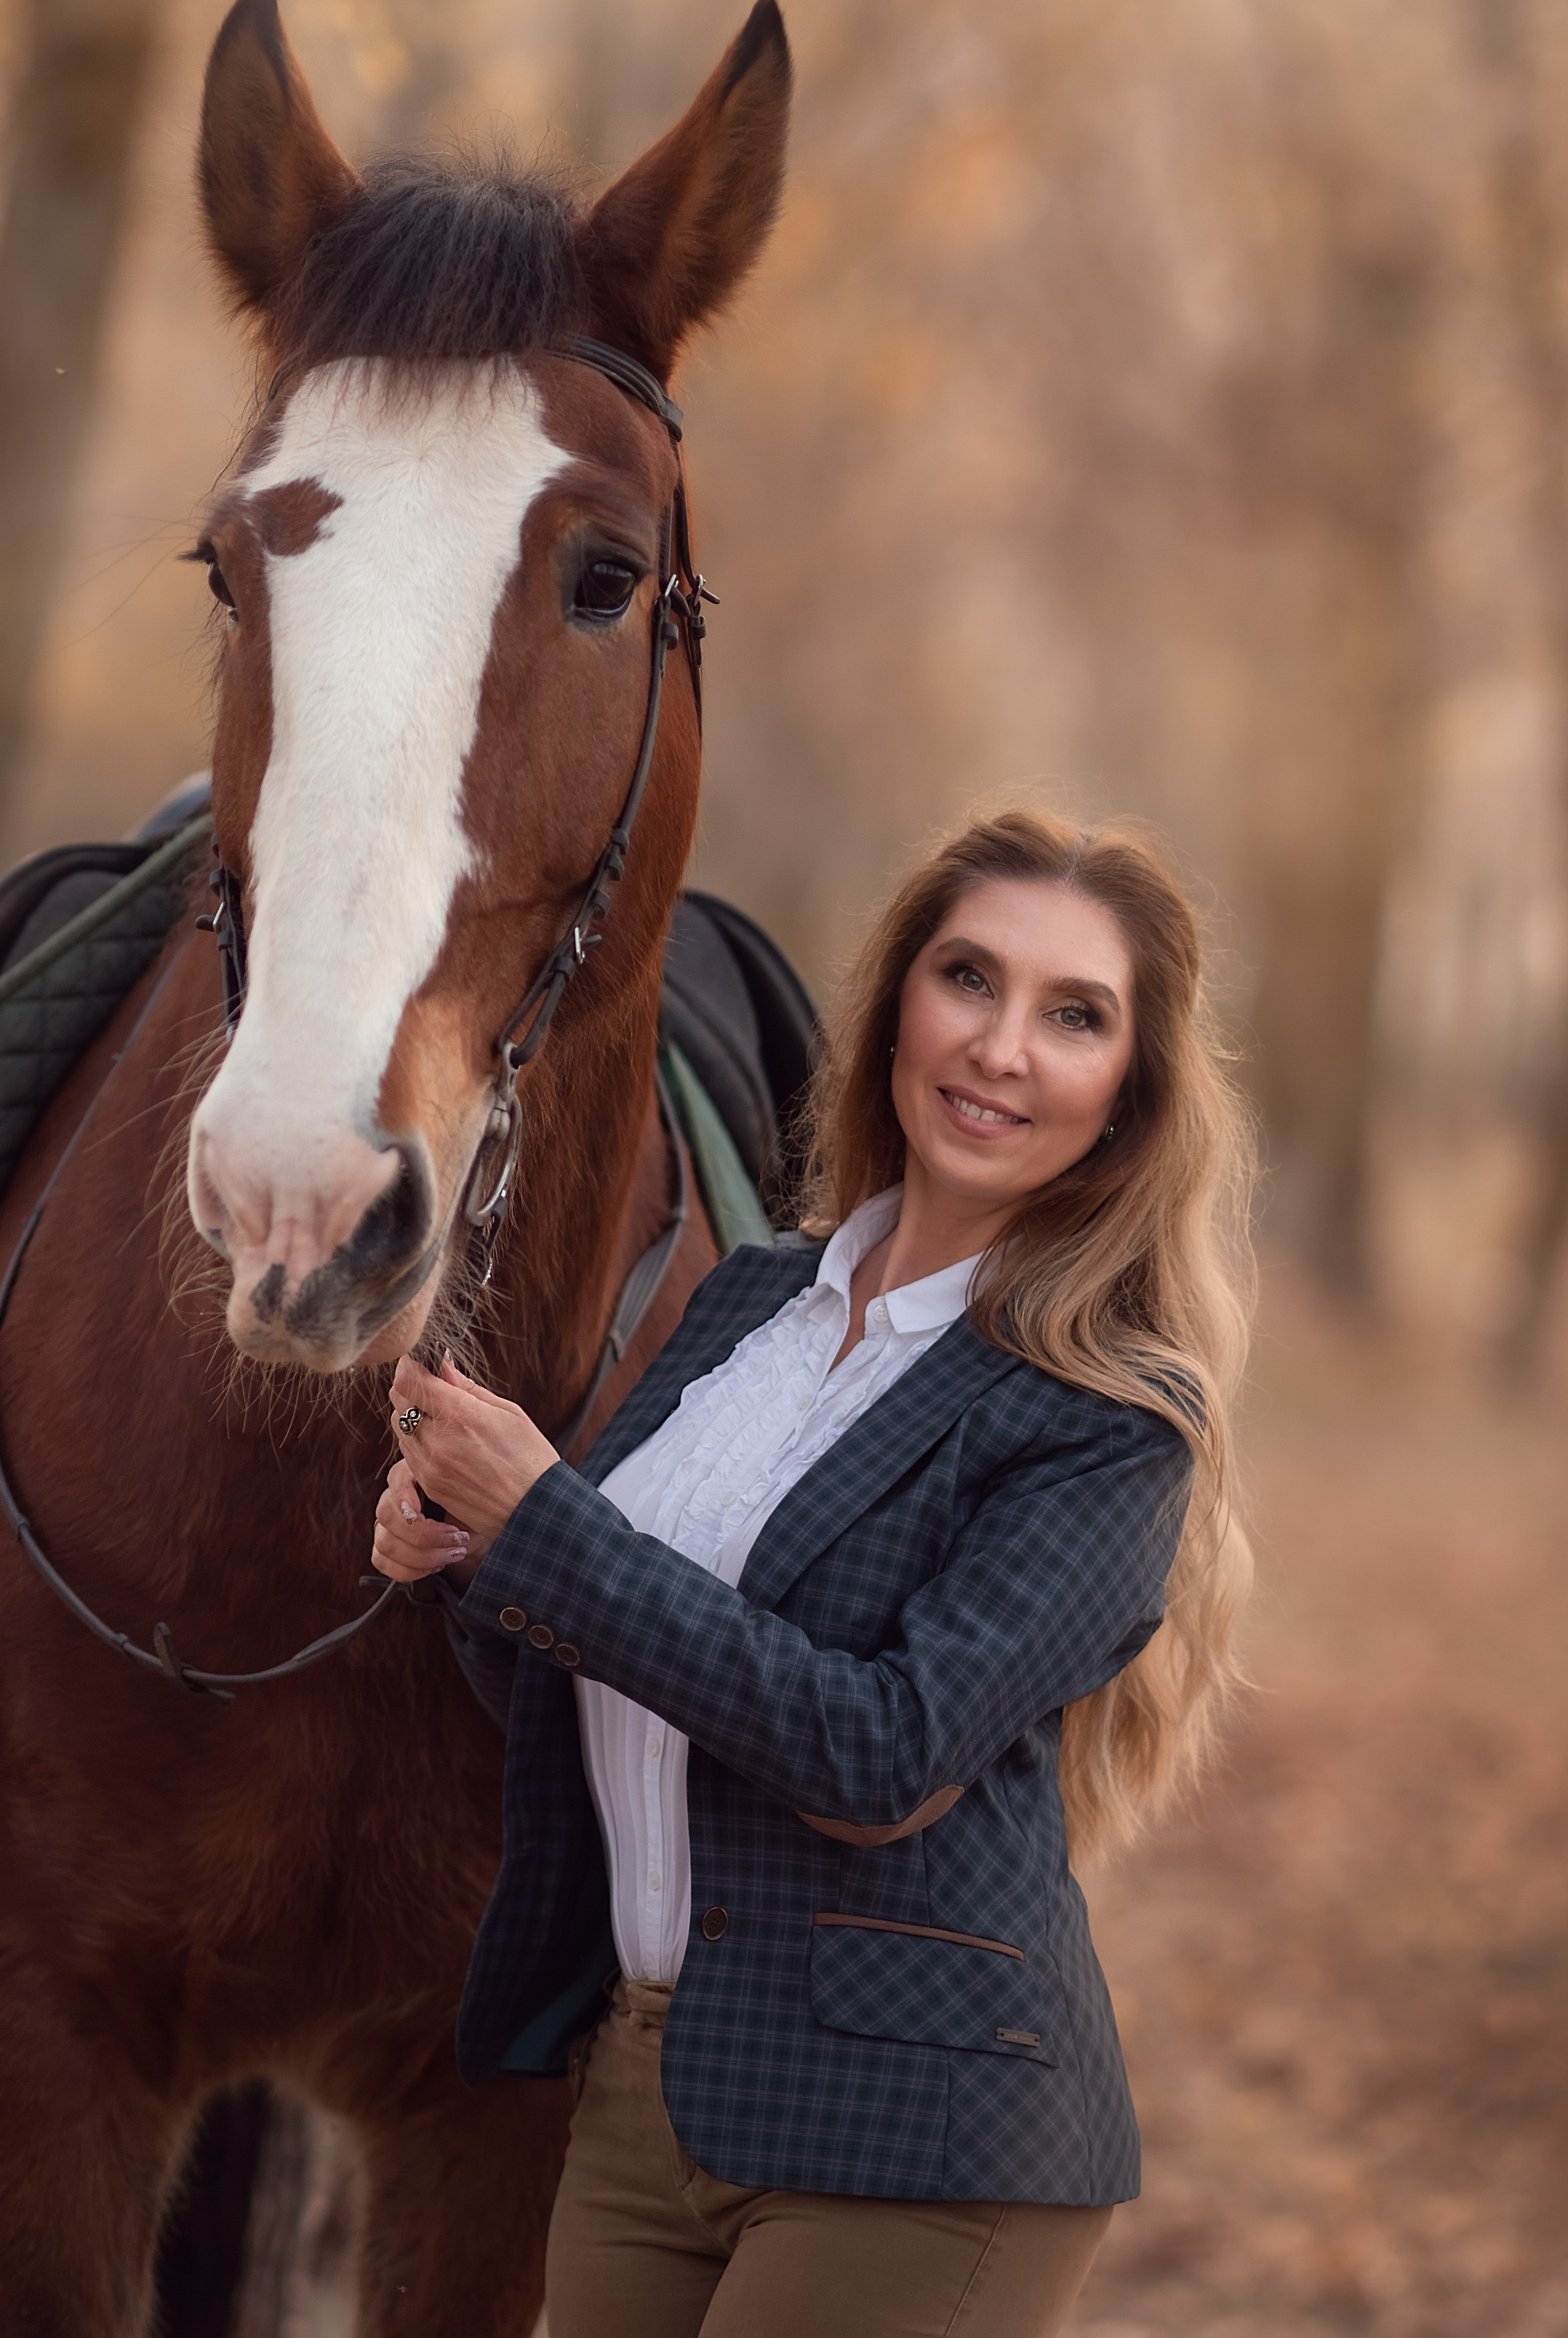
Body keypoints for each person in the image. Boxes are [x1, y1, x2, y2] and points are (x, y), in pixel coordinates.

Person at [372, 809, 1254, 2338]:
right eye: (967, 977)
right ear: (896, 1001)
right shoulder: (749, 1304)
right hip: (641, 2086)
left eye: (1074, 1016)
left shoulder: (1107, 1415)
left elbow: (879, 1755)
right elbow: (598, 1669)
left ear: (1129, 1093)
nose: (999, 1048)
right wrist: (472, 1554)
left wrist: (550, 1528)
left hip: (916, 2131)